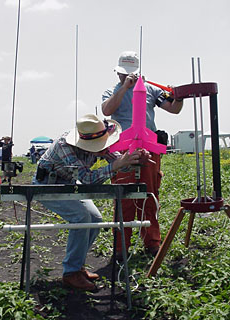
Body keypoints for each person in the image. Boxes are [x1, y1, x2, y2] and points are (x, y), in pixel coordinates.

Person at [33, 114, 151, 291]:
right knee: (81, 218)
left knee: (95, 219)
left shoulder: (100, 137)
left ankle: (77, 266)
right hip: (48, 184)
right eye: (98, 147)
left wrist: (134, 161)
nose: (104, 149)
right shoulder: (65, 145)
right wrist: (118, 165)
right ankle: (71, 273)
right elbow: (87, 179)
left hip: (70, 184)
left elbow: (118, 162)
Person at [102, 51, 184, 259]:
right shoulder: (111, 92)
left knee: (150, 195)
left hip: (149, 149)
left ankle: (152, 243)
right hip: (122, 149)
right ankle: (121, 246)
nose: (125, 77)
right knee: (124, 198)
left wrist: (178, 96)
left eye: (128, 74)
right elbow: (106, 110)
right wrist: (124, 88)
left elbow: (174, 109)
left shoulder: (151, 89)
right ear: (117, 72)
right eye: (122, 74)